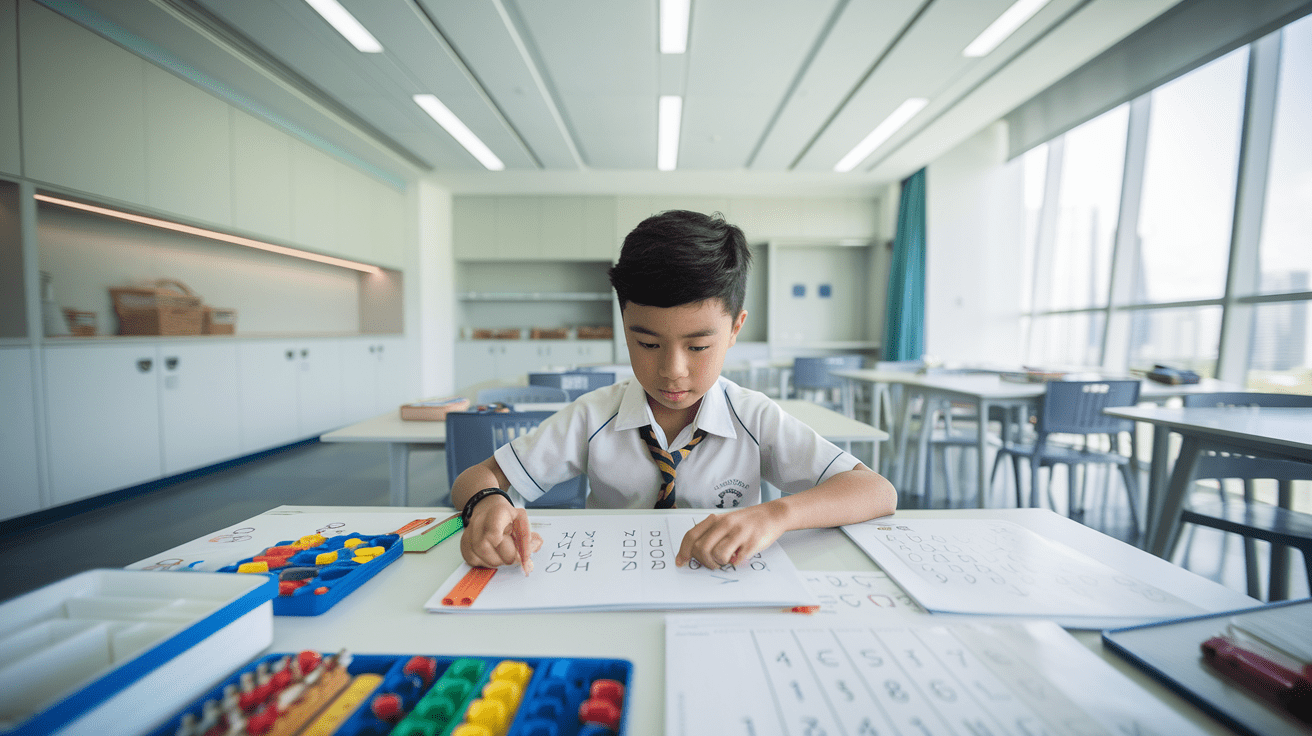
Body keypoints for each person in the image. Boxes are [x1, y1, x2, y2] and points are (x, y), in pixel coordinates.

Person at [451, 210, 897, 572]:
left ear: (735, 328)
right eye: (646, 343)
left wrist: (775, 515)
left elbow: (875, 491)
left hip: (722, 586)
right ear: (623, 325)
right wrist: (487, 502)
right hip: (612, 579)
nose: (672, 370)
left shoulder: (753, 417)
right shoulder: (593, 416)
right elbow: (478, 476)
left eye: (699, 346)